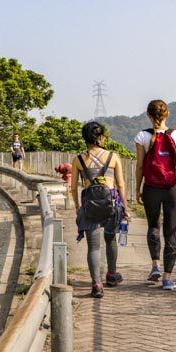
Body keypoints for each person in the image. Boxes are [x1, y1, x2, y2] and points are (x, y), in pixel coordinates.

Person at [70, 121, 130, 298]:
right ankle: (111, 275)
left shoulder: (78, 160)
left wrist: (77, 207)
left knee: (93, 247)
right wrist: (126, 207)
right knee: (110, 239)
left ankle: (96, 284)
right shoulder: (113, 157)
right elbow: (120, 184)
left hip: (91, 205)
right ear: (101, 138)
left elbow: (73, 188)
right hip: (111, 204)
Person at [135, 99, 176, 291]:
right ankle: (167, 278)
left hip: (151, 187)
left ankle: (155, 266)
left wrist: (137, 188)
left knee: (153, 226)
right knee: (171, 232)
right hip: (173, 188)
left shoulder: (142, 136)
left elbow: (141, 166)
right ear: (167, 114)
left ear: (149, 115)